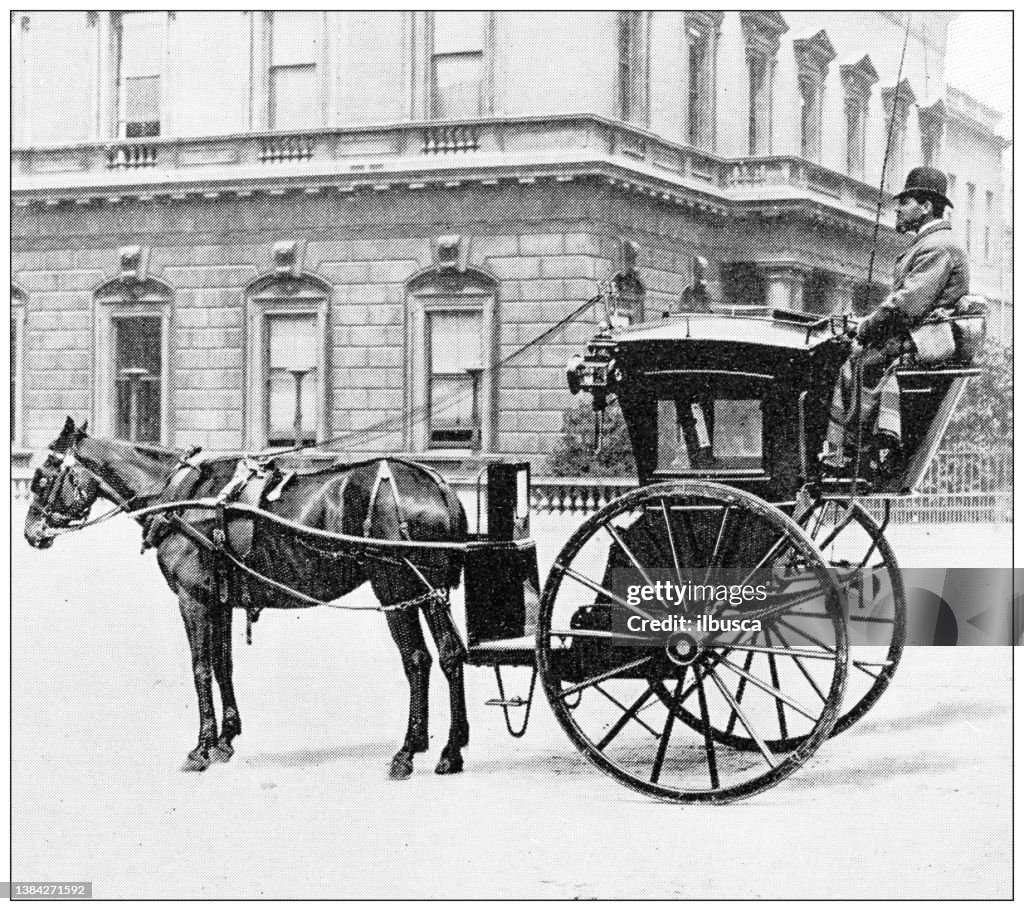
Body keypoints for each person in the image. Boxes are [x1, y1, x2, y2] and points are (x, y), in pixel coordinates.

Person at [821, 166, 969, 472]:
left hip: (924, 343)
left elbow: (906, 304)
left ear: (926, 207)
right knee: (856, 358)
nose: (897, 209)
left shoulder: (939, 246)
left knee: (857, 363)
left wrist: (865, 327)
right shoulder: (930, 244)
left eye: (904, 202)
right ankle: (852, 452)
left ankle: (857, 454)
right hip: (916, 336)